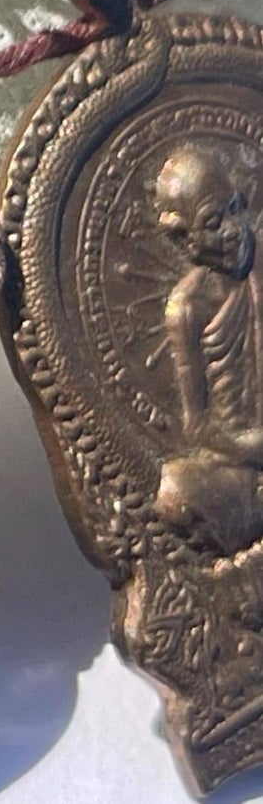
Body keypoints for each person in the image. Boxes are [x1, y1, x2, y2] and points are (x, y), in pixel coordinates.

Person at [154, 142, 263, 554]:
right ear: (185, 238)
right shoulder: (188, 308)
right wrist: (252, 447)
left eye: (236, 208)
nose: (234, 228)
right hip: (239, 458)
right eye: (214, 222)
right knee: (178, 490)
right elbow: (196, 427)